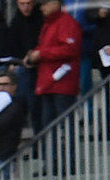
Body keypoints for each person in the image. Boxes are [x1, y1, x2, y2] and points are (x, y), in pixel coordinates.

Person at [25, 0, 81, 134]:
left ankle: (67, 148)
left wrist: (40, 54)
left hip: (62, 81)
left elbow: (70, 49)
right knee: (49, 126)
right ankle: (53, 149)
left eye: (45, 4)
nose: (41, 8)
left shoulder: (66, 23)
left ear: (56, 3)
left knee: (63, 124)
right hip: (48, 81)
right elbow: (46, 47)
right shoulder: (49, 24)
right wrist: (33, 56)